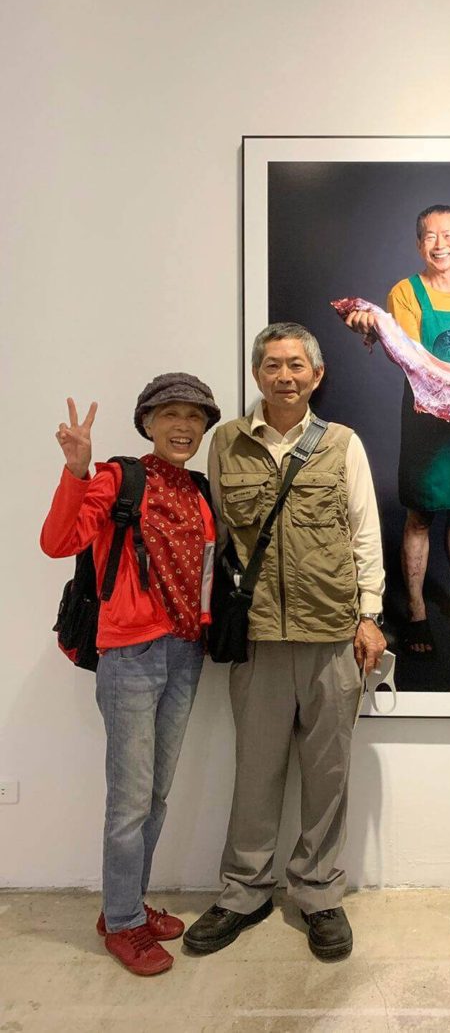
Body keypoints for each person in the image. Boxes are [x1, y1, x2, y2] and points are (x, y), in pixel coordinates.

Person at [184, 322, 385, 961]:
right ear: (257, 374)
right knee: (255, 772)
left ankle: (319, 894)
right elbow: (216, 540)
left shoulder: (343, 444)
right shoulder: (226, 443)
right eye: (272, 365)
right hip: (258, 637)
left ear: (316, 375)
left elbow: (364, 532)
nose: (285, 376)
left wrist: (370, 614)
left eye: (297, 365)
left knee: (328, 774)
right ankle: (244, 892)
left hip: (333, 634)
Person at [40, 374, 220, 976]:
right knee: (129, 802)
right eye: (170, 414)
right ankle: (122, 924)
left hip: (185, 653)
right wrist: (76, 471)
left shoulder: (198, 490)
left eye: (194, 416)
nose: (183, 426)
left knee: (156, 795)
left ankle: (127, 906)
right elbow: (58, 541)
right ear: (147, 423)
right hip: (130, 657)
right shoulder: (120, 478)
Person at [345, 204, 450, 658]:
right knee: (420, 514)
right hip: (425, 418)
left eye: (449, 234)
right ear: (420, 245)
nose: (441, 244)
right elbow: (415, 358)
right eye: (431, 236)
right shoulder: (406, 291)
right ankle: (417, 610)